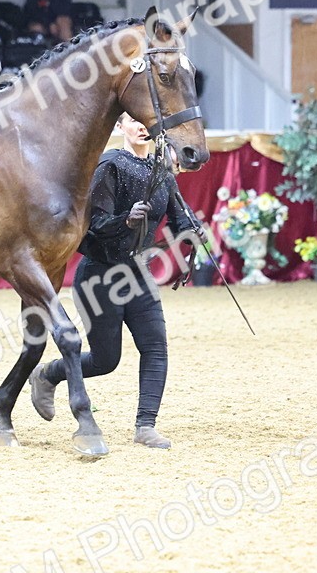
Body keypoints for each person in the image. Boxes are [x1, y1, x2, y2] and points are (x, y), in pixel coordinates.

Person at [29, 112, 198, 449]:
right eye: (131, 120)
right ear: (119, 127)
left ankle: (145, 425)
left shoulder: (163, 172)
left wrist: (192, 233)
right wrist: (126, 220)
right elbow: (90, 226)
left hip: (139, 276)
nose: (140, 126)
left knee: (155, 346)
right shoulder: (109, 165)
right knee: (106, 361)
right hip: (101, 276)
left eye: (144, 121)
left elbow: (180, 220)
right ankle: (48, 374)